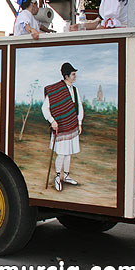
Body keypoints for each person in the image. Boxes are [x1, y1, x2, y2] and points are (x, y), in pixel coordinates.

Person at [41, 62, 83, 192]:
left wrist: (79, 123)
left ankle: (66, 176)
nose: (75, 76)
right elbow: (44, 108)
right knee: (61, 154)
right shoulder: (55, 90)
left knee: (68, 153)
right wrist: (52, 121)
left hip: (72, 125)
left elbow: (79, 107)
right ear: (66, 76)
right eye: (73, 74)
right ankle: (58, 177)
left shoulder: (75, 90)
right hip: (60, 128)